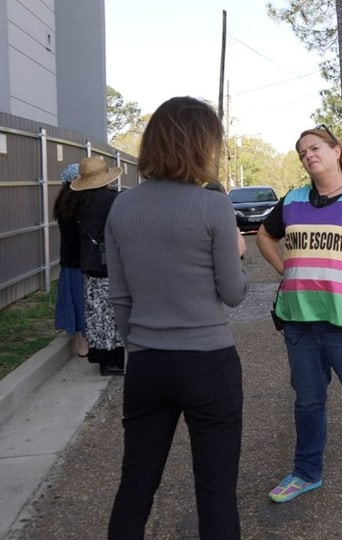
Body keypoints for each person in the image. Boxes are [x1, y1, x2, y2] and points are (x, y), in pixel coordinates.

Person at [104, 96, 249, 539]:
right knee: (215, 491)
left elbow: (120, 297)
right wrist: (238, 258)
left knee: (136, 485)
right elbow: (234, 293)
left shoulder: (122, 207)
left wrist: (143, 346)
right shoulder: (213, 206)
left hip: (147, 364)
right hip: (209, 363)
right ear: (201, 145)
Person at [256, 124, 342, 514]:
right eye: (302, 153)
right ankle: (306, 472)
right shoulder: (292, 200)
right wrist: (285, 268)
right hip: (300, 322)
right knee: (307, 403)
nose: (308, 155)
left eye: (315, 148)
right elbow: (265, 237)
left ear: (336, 151)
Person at [70, 156, 125, 376]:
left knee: (96, 312)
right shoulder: (115, 199)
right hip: (112, 261)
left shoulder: (77, 202)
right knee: (114, 313)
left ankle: (102, 359)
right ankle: (116, 360)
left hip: (89, 262)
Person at [53, 163, 88, 358]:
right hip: (82, 262)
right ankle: (84, 343)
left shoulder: (63, 203)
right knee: (83, 302)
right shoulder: (81, 205)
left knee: (74, 302)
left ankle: (80, 342)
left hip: (69, 261)